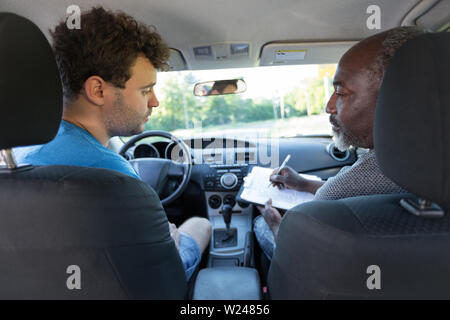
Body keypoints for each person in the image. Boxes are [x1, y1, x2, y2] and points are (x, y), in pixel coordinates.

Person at [14, 7, 211, 281]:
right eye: (145, 90)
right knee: (199, 224)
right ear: (98, 90)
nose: (155, 101)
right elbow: (164, 263)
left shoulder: (20, 155)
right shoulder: (112, 175)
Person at [254, 26, 425, 260]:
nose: (329, 106)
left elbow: (298, 258)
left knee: (258, 224)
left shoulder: (358, 182)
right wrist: (303, 183)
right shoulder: (425, 161)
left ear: (395, 97)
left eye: (340, 92)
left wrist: (275, 224)